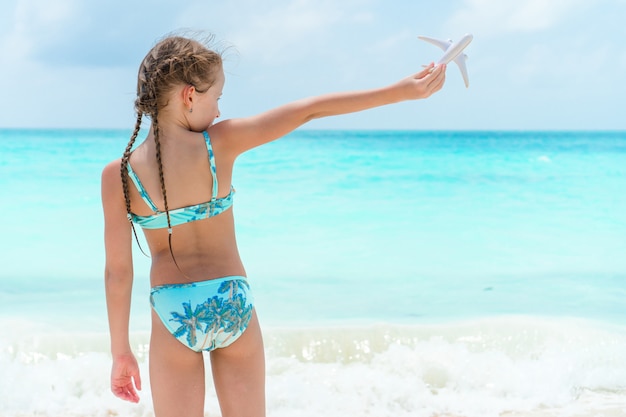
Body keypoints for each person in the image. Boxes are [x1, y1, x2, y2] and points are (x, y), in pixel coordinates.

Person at [101, 33, 446, 417]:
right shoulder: (221, 143)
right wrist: (399, 92)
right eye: (216, 99)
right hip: (232, 301)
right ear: (189, 95)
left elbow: (118, 274)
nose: (217, 112)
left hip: (173, 312)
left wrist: (121, 353)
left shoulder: (119, 175)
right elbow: (307, 111)